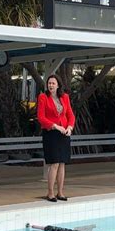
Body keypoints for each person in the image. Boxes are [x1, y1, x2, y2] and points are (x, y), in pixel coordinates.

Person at [37, 74, 75, 202]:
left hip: (64, 133)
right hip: (51, 133)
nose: (51, 85)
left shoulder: (65, 97)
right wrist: (55, 126)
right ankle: (50, 193)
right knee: (54, 163)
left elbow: (71, 115)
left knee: (62, 163)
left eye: (53, 83)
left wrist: (69, 127)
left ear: (58, 85)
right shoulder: (43, 97)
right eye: (49, 83)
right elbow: (41, 118)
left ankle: (60, 192)